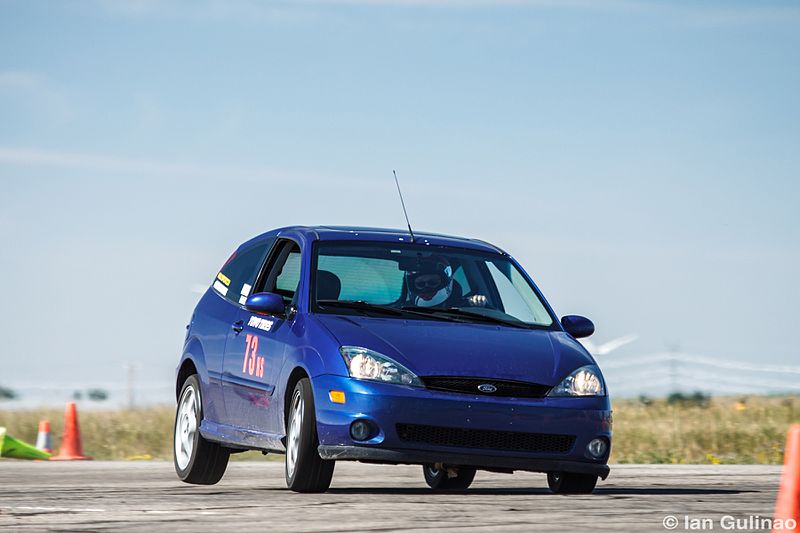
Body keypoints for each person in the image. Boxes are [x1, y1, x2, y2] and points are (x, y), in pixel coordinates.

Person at [405, 256, 487, 308]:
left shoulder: (465, 307)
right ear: (412, 286)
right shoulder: (402, 311)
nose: (427, 288)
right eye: (420, 284)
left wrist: (478, 302)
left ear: (445, 282)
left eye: (433, 282)